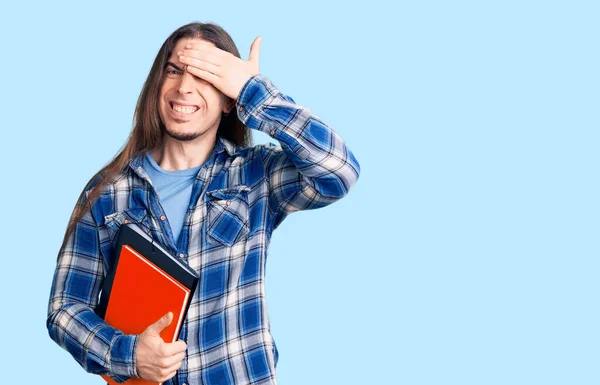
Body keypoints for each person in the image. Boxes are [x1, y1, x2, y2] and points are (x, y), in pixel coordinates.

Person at [46, 21, 360, 385]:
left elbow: (338, 170)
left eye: (206, 76)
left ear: (229, 100)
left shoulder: (256, 174)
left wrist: (252, 91)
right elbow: (65, 309)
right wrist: (128, 354)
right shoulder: (107, 192)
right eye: (174, 71)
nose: (184, 87)